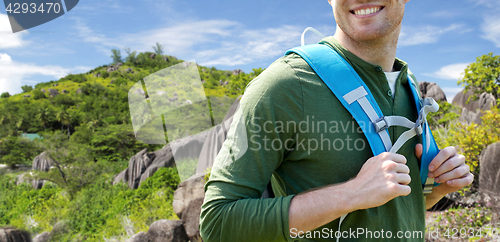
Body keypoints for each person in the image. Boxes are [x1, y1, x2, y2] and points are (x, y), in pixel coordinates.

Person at [200, 0, 473, 241]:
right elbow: (217, 222)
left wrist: (436, 190)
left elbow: (390, 210)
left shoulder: (408, 86)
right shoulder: (286, 85)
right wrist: (351, 194)